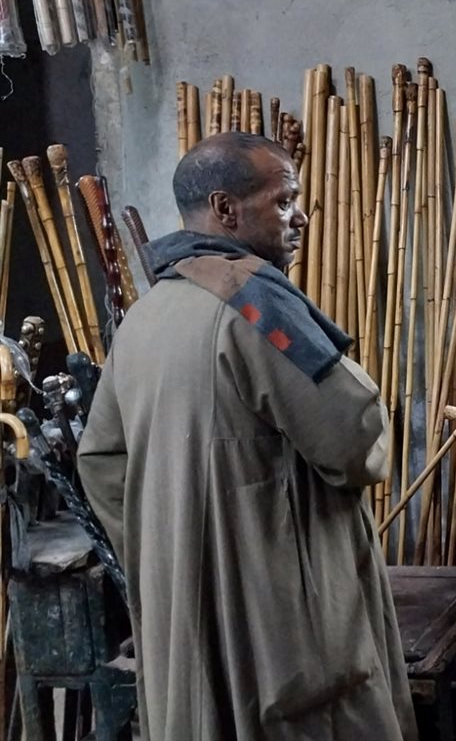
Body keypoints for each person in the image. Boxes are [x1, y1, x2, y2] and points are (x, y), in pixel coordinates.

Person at [79, 133, 416, 741]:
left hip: (182, 613)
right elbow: (355, 440)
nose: (300, 218)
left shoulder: (144, 317)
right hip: (277, 623)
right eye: (284, 201)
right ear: (225, 209)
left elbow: (101, 461)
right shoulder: (255, 305)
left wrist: (170, 552)